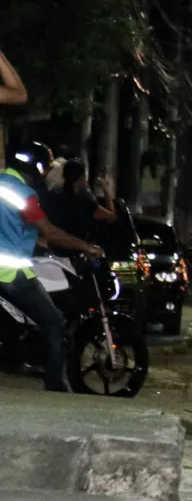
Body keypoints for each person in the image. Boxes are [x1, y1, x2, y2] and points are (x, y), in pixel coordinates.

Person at [0, 144, 105, 392]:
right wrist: (86, 246)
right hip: (11, 273)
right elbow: (50, 230)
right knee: (54, 321)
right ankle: (55, 383)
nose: (47, 173)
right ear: (35, 168)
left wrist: (33, 239)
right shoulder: (24, 194)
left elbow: (9, 225)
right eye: (46, 167)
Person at [43, 159, 116, 254]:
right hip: (76, 251)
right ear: (82, 178)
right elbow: (111, 216)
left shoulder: (54, 195)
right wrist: (106, 189)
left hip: (55, 249)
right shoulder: (84, 201)